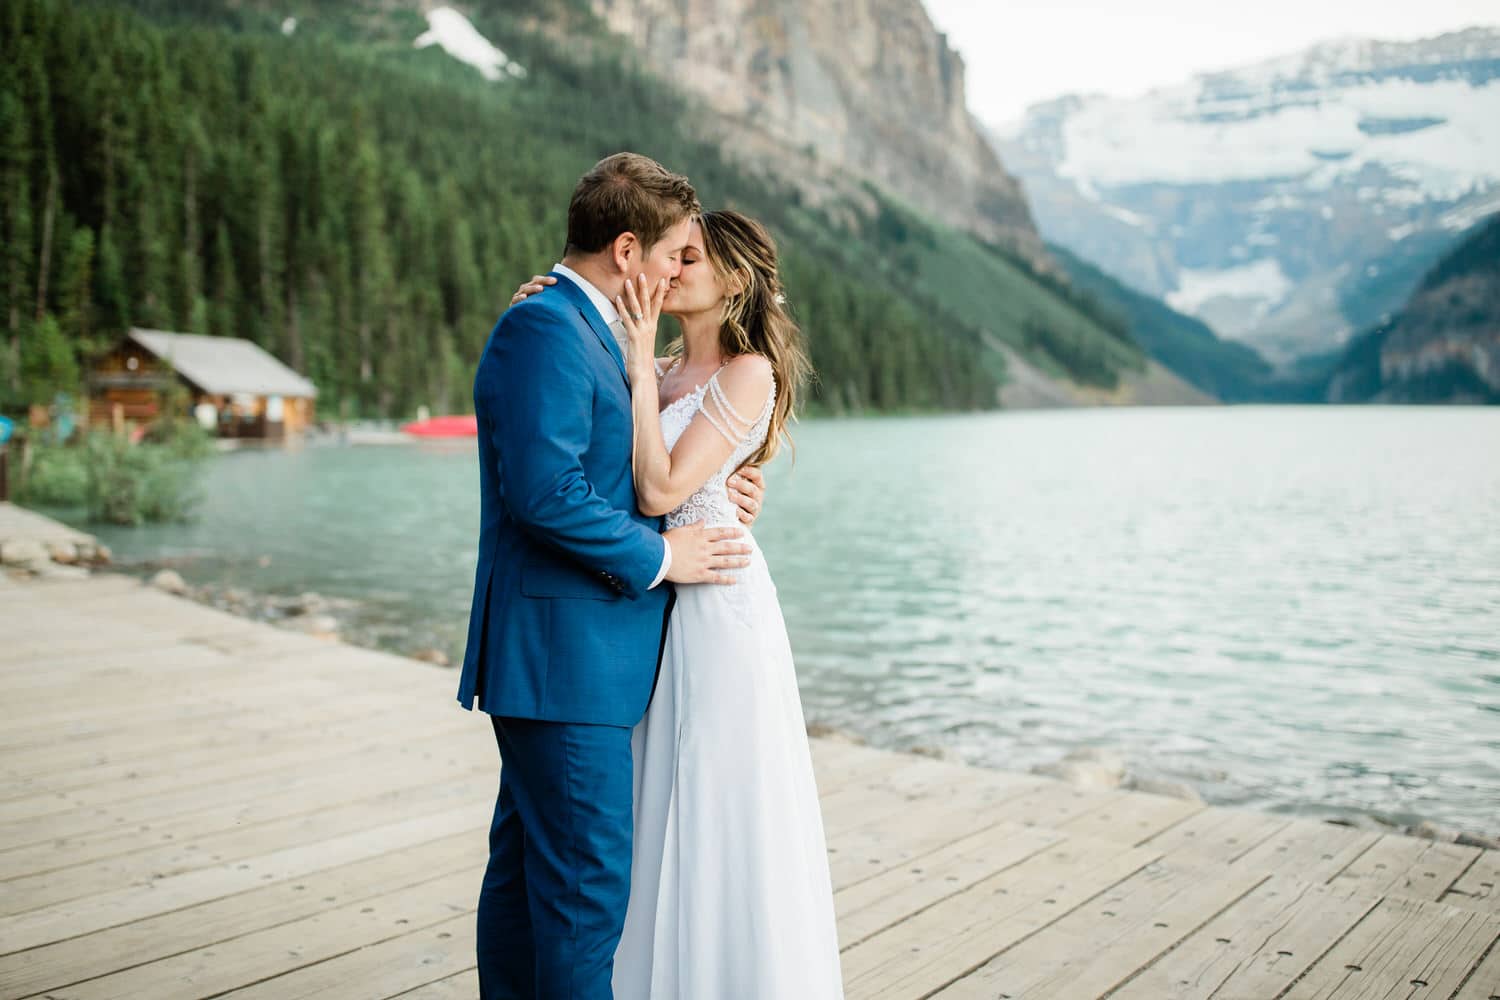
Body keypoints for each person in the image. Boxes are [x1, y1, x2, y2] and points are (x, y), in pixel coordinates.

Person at [510, 209, 845, 998]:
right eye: (675, 253)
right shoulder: (657, 365)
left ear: (735, 280)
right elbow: (618, 470)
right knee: (656, 793)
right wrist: (555, 309)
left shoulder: (747, 370)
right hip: (656, 599)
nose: (676, 266)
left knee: (721, 794)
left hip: (721, 606)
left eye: (693, 257)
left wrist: (638, 373)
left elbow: (663, 485)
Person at [458, 152, 768, 999]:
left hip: (588, 660)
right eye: (674, 253)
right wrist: (668, 555)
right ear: (628, 251)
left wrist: (732, 489)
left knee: (528, 878)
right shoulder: (548, 325)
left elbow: (651, 465)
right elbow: (545, 493)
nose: (678, 271)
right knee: (586, 897)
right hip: (568, 660)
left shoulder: (594, 330)